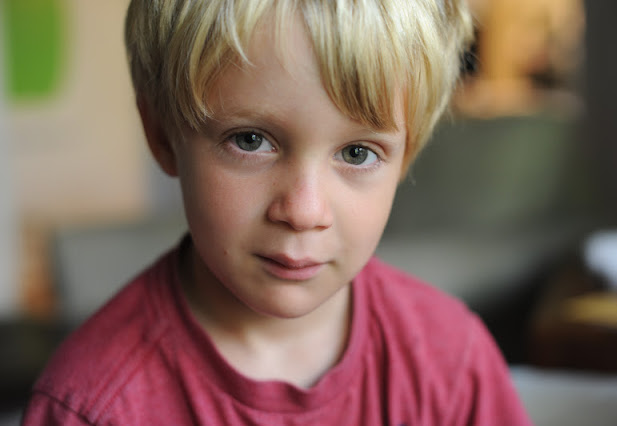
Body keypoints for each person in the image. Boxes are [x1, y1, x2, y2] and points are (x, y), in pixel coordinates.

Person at [23, 0, 532, 424]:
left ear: (407, 155)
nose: (304, 211)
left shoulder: (453, 364)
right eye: (250, 141)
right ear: (162, 135)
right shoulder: (92, 406)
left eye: (357, 153)